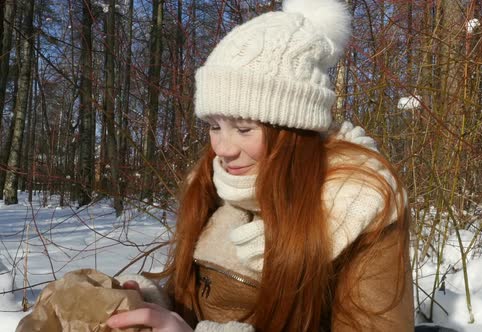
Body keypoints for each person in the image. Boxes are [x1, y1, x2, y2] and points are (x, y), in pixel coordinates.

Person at [107, 0, 414, 331]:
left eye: (243, 129)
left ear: (292, 132)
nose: (221, 149)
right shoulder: (214, 184)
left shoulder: (358, 204)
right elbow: (201, 307)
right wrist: (151, 304)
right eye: (214, 125)